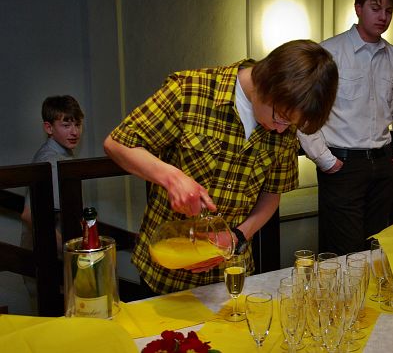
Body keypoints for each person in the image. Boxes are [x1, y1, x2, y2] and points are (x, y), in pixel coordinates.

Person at [104, 39, 338, 294]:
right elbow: (116, 143)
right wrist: (171, 177)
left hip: (231, 273)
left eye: (290, 124)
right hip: (165, 274)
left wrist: (237, 236)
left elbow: (272, 194)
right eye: (280, 118)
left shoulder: (285, 122)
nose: (281, 129)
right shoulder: (189, 91)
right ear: (267, 83)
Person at [297, 0, 393, 255]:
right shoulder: (329, 53)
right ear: (358, 8)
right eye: (376, 8)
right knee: (344, 253)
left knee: (378, 249)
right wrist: (324, 159)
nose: (383, 17)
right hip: (343, 166)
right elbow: (305, 112)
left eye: (389, 10)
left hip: (384, 165)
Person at [21, 95, 84, 308]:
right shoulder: (52, 160)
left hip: (51, 255)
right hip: (48, 257)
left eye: (77, 124)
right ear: (49, 128)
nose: (74, 132)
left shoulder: (60, 155)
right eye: (66, 125)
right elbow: (29, 215)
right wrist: (71, 255)